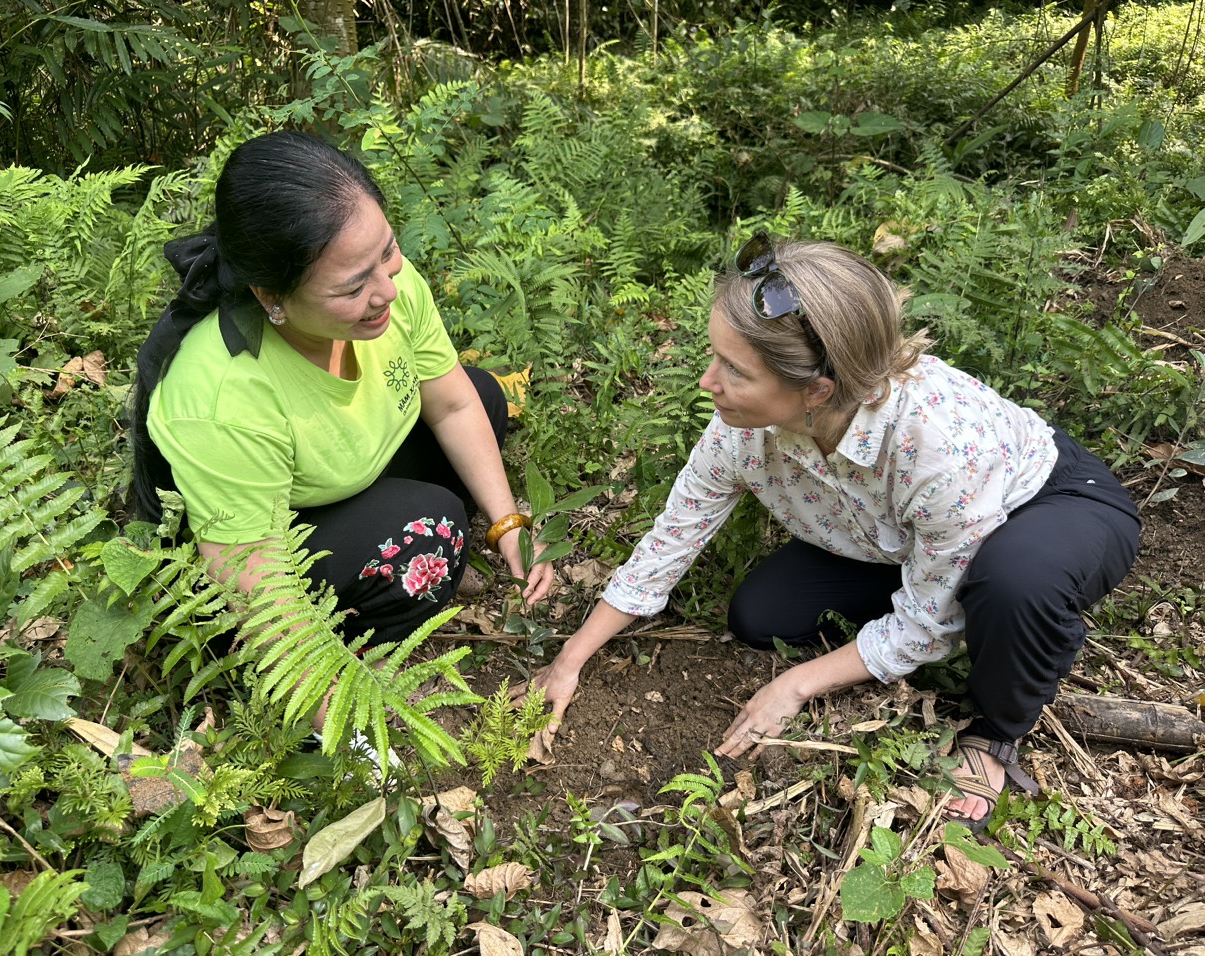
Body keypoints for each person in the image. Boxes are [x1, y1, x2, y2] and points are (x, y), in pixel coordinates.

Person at [514, 234, 1139, 831]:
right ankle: (946, 583)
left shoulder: (936, 444)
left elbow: (927, 626)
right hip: (896, 534)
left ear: (817, 389)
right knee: (760, 615)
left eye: (732, 370)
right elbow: (673, 536)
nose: (707, 382)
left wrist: (796, 685)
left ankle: (1000, 728)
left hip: (1047, 502)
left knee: (1012, 585)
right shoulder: (742, 429)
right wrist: (571, 659)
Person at [130, 130, 552, 662]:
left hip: (341, 470)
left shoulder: (385, 286)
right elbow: (249, 579)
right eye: (353, 288)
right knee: (435, 526)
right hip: (267, 541)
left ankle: (399, 528)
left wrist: (509, 526)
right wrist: (335, 713)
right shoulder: (223, 393)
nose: (389, 291)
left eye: (389, 251)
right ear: (271, 297)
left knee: (483, 394)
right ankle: (360, 631)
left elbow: (453, 403)